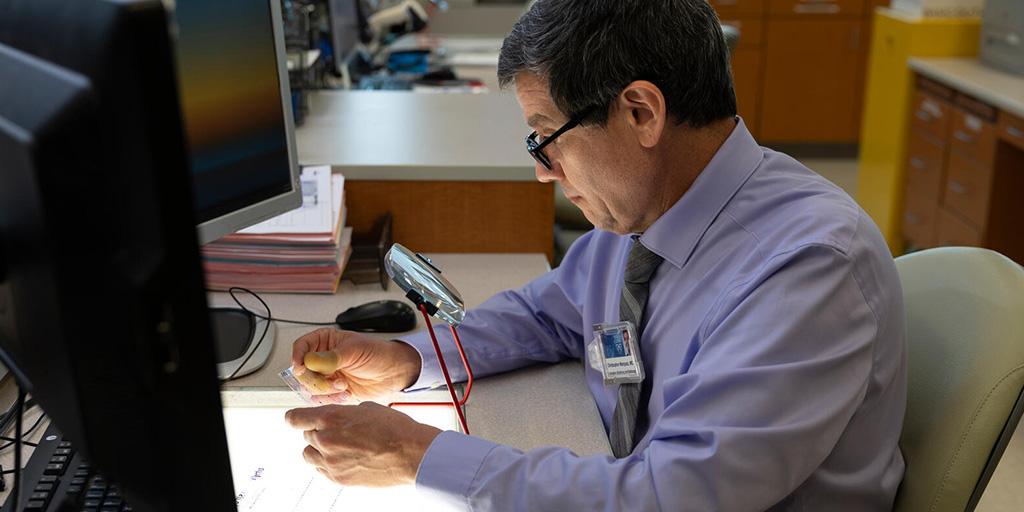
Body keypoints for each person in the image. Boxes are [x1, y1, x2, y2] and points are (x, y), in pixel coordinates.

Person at [284, 0, 907, 509]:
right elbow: (549, 314)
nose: (541, 172)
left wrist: (417, 457)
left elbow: (672, 495)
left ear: (640, 113)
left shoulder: (806, 268)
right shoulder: (643, 212)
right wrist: (409, 360)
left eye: (546, 136)